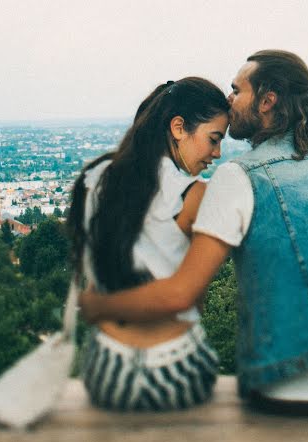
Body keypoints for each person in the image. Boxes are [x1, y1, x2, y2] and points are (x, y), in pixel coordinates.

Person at [79, 50, 308, 413]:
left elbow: (184, 292)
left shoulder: (237, 177)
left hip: (282, 388)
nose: (229, 99)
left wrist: (95, 305)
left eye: (236, 90)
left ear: (267, 101)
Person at [66, 77, 230, 411]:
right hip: (176, 368)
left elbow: (96, 283)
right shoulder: (193, 196)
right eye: (214, 139)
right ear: (178, 127)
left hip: (105, 370)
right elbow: (189, 303)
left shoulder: (96, 180)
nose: (217, 153)